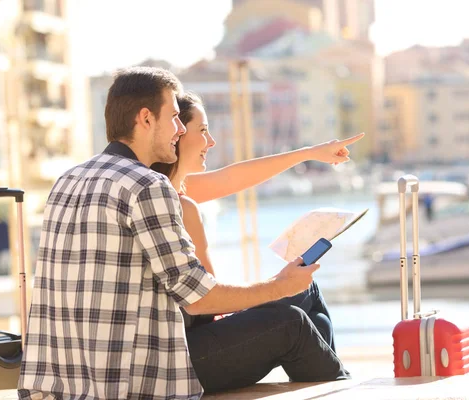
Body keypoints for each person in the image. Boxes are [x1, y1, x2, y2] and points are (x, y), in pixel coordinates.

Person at [17, 67, 335, 400]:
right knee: (291, 323)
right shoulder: (147, 186)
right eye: (173, 117)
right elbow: (199, 299)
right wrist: (278, 286)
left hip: (62, 381)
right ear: (145, 119)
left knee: (306, 311)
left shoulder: (68, 180)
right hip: (131, 380)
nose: (179, 129)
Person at [151, 91, 363, 392]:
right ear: (178, 136)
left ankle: (329, 379)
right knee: (292, 321)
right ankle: (340, 387)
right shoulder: (176, 203)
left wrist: (309, 153)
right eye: (203, 131)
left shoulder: (175, 190)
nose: (210, 141)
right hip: (185, 354)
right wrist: (273, 288)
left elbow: (233, 177)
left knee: (308, 293)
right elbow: (206, 304)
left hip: (196, 331)